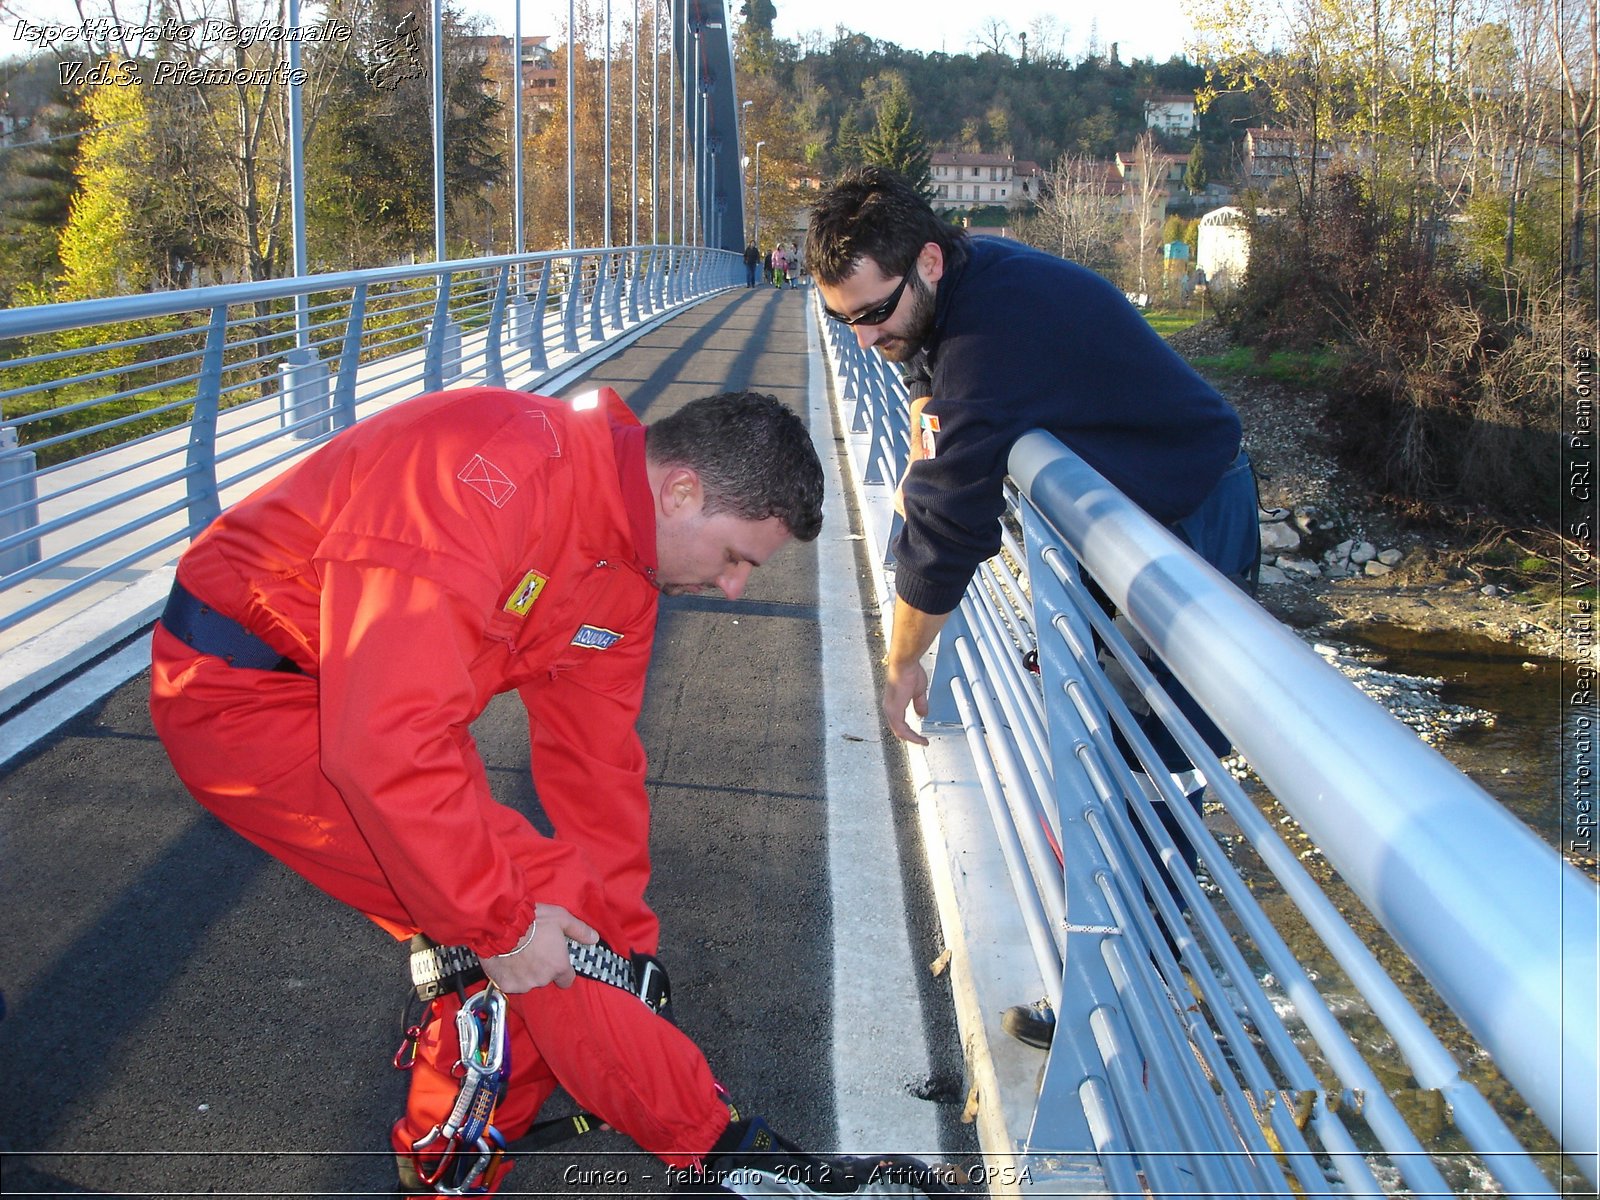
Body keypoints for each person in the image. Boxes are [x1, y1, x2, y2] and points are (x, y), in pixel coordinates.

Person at [148, 385, 942, 1197]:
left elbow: (598, 772)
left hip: (371, 708)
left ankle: (455, 1166)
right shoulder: (489, 476)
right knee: (520, 917)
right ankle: (725, 1156)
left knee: (554, 934)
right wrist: (501, 926)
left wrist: (623, 952)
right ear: (681, 491)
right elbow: (381, 744)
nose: (736, 586)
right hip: (244, 696)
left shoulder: (625, 572)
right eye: (738, 557)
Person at [807, 168, 1260, 1046]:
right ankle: (1122, 974)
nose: (864, 339)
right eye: (845, 322)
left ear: (927, 261)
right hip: (1118, 514)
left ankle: (1141, 1004)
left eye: (872, 314)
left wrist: (903, 664)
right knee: (1099, 738)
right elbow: (926, 392)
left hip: (1190, 514)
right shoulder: (963, 290)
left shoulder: (993, 333)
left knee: (1151, 759)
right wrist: (922, 435)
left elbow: (944, 529)